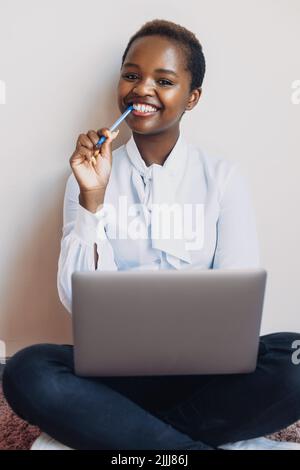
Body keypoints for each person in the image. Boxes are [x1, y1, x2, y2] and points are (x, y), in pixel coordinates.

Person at [3, 19, 300, 451]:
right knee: (27, 371)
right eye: (131, 75)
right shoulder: (86, 176)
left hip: (206, 381)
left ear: (192, 97)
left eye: (164, 80)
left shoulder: (221, 177)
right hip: (116, 379)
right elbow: (74, 297)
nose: (142, 89)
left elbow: (240, 297)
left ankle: (120, 435)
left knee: (295, 360)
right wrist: (93, 197)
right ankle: (181, 443)